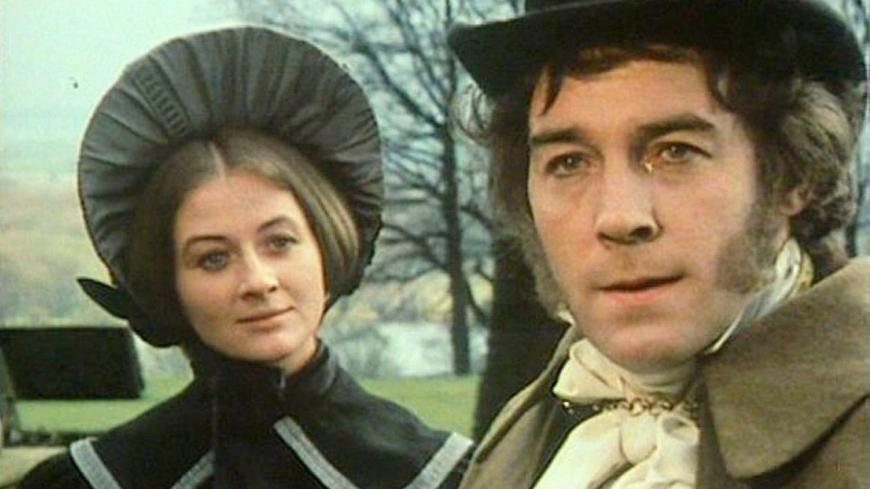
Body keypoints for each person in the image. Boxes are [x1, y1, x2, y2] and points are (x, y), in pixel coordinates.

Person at [20, 27, 471, 489]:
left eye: (280, 243)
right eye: (213, 258)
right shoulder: (92, 481)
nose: (257, 281)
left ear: (326, 245)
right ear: (169, 283)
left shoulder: (446, 476)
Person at [448, 0, 868, 487]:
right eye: (569, 162)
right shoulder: (528, 437)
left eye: (675, 152)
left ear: (796, 175)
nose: (619, 217)